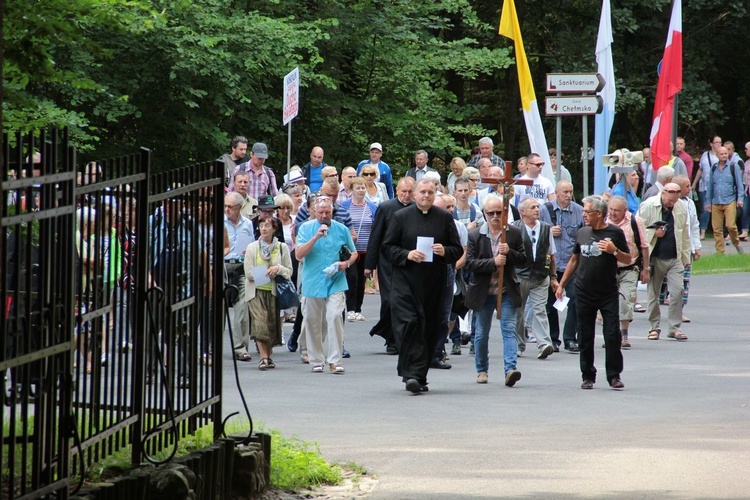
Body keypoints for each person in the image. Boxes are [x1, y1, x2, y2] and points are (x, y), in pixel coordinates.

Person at [381, 179, 463, 393]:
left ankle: (419, 376)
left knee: (428, 328)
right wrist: (407, 254)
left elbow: (457, 249)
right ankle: (411, 375)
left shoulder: (444, 218)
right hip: (405, 282)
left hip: (433, 284)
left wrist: (445, 251)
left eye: (430, 192)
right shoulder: (401, 217)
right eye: (422, 192)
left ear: (435, 194)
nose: (426, 195)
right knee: (410, 325)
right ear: (415, 195)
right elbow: (387, 248)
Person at [555, 195, 631, 390]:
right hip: (584, 292)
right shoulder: (582, 233)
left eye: (587, 212)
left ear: (599, 214)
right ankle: (587, 375)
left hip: (607, 293)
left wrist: (614, 251)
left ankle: (614, 375)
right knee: (585, 336)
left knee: (612, 334)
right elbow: (574, 260)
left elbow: (628, 258)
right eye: (584, 212)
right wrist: (562, 284)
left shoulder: (614, 233)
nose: (584, 215)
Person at [464, 194, 526, 386]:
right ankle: (482, 370)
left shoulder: (513, 233)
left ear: (504, 213)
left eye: (499, 212)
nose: (495, 216)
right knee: (481, 332)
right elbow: (470, 263)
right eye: (491, 213)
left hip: (506, 290)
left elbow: (524, 259)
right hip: (483, 292)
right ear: (484, 213)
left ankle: (510, 369)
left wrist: (510, 253)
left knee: (508, 329)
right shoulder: (476, 235)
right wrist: (493, 262)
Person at [295, 196, 358, 373]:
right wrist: (315, 237)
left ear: (332, 212)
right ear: (314, 211)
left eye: (327, 212)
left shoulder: (341, 229)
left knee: (335, 316)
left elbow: (353, 253)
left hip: (336, 280)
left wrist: (346, 264)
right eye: (321, 212)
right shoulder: (306, 228)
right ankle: (316, 360)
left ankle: (335, 360)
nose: (324, 215)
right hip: (313, 281)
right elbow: (299, 255)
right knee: (313, 321)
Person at [364, 177, 415, 354]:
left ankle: (401, 338)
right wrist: (369, 265)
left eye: (410, 192)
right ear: (397, 190)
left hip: (409, 261)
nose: (407, 195)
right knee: (389, 300)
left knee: (406, 301)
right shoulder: (386, 208)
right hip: (387, 262)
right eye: (403, 191)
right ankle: (391, 337)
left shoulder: (416, 208)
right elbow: (375, 236)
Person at [637, 183, 691, 341]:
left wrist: (686, 257)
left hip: (675, 256)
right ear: (663, 193)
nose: (671, 204)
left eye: (674, 201)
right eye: (669, 201)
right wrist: (654, 233)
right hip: (655, 256)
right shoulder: (648, 205)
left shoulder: (680, 206)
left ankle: (674, 328)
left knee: (678, 290)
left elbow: (684, 232)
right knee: (653, 293)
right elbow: (638, 230)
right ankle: (654, 327)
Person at [243, 215, 293, 370]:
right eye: (261, 225)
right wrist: (265, 272)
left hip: (273, 291)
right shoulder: (252, 247)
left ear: (274, 229)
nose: (263, 228)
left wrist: (278, 269)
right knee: (260, 322)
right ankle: (263, 358)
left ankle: (268, 357)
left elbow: (289, 271)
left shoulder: (282, 248)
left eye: (267, 225)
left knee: (271, 325)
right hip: (256, 291)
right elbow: (248, 273)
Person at [539, 180, 583, 352]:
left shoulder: (579, 211)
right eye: (564, 192)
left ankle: (570, 338)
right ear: (556, 193)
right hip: (551, 263)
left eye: (570, 192)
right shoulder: (544, 210)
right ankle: (553, 339)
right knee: (550, 303)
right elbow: (536, 233)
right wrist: (549, 231)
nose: (568, 195)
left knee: (574, 300)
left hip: (571, 264)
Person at [513, 197, 557, 359]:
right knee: (518, 311)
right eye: (533, 207)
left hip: (540, 276)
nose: (537, 209)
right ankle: (518, 344)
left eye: (537, 207)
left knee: (540, 310)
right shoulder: (515, 228)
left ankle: (544, 343)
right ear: (522, 211)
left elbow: (552, 255)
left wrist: (553, 277)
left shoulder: (546, 229)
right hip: (520, 276)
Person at [605, 196, 650, 349]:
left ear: (625, 210)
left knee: (626, 300)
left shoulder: (635, 221)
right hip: (608, 269)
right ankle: (611, 336)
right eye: (610, 209)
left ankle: (624, 334)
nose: (613, 213)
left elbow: (644, 246)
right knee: (608, 304)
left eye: (616, 210)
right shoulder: (604, 221)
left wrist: (646, 269)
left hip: (629, 268)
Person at [429, 193, 467, 368]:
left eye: (449, 208)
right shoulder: (420, 223)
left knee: (444, 315)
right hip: (424, 277)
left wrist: (447, 255)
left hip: (446, 275)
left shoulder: (455, 226)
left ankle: (437, 353)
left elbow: (459, 250)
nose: (449, 211)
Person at [223, 192, 256, 361]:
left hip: (242, 266)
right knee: (219, 308)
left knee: (243, 307)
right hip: (223, 266)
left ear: (240, 207)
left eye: (230, 207)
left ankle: (241, 347)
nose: (227, 209)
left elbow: (252, 246)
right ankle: (213, 346)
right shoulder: (219, 222)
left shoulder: (248, 224)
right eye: (225, 206)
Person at [340, 177, 377, 322]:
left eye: (363, 188)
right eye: (358, 188)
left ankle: (358, 309)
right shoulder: (344, 206)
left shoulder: (372, 208)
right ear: (351, 190)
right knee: (352, 277)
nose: (361, 190)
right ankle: (350, 308)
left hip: (366, 249)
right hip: (350, 250)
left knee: (362, 279)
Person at [705, 146, 744, 254]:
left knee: (730, 225)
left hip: (729, 200)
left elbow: (739, 183)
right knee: (717, 229)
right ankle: (720, 251)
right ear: (717, 155)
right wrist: (708, 202)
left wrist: (740, 199)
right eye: (721, 154)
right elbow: (710, 186)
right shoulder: (713, 168)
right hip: (716, 201)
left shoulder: (733, 166)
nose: (724, 155)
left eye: (725, 153)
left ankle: (736, 243)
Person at [693, 136, 723, 240]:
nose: (718, 144)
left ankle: (718, 232)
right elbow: (700, 170)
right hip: (703, 186)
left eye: (720, 142)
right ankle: (702, 232)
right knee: (705, 209)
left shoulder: (722, 156)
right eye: (716, 142)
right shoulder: (705, 155)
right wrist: (694, 184)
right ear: (711, 144)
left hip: (717, 187)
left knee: (717, 210)